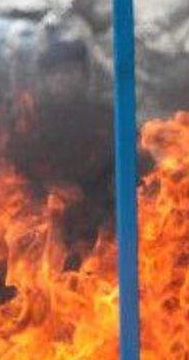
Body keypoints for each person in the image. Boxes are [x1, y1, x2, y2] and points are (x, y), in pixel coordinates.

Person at [7, 39, 115, 259]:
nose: (63, 79)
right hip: (40, 234)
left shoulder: (107, 120)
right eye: (55, 74)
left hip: (99, 236)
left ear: (85, 76)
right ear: (46, 80)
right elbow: (14, 176)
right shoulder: (30, 123)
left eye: (70, 72)